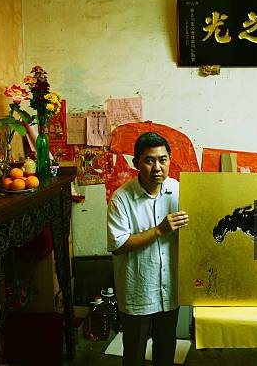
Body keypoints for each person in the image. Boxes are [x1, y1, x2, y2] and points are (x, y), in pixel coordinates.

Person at [107, 132, 189, 366]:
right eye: (149, 160)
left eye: (163, 160)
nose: (157, 167)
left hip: (169, 286)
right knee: (134, 352)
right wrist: (159, 230)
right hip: (138, 288)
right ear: (136, 163)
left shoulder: (178, 190)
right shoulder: (121, 198)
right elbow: (118, 245)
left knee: (166, 348)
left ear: (170, 160)